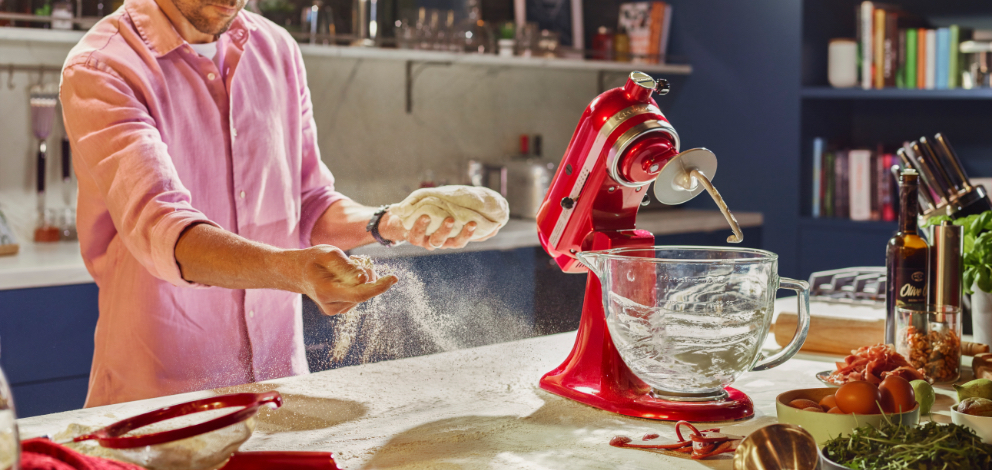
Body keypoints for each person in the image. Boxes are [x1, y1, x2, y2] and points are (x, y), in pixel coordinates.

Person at [60, 0, 496, 407]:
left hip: (281, 392)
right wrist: (294, 271)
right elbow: (165, 230)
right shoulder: (103, 67)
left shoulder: (276, 50)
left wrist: (390, 221)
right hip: (162, 402)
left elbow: (308, 202)